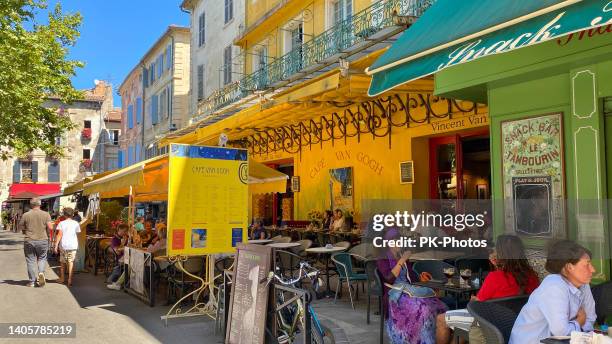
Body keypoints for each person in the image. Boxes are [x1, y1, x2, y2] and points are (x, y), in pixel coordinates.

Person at [437, 235, 540, 343]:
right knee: (461, 327)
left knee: (441, 319)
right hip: (515, 322)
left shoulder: (494, 277)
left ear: (501, 254)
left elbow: (476, 306)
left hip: (487, 323)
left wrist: (473, 299)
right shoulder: (532, 276)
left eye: (496, 249)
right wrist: (499, 267)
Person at [509, 240, 596, 344]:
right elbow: (561, 332)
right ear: (569, 267)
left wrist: (577, 329)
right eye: (586, 265)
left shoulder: (583, 284)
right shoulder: (554, 286)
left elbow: (590, 318)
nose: (593, 269)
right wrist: (578, 322)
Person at [377, 229, 448, 344]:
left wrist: (420, 278)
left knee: (438, 305)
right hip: (395, 294)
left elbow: (411, 277)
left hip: (409, 290)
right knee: (424, 309)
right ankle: (420, 340)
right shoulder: (383, 259)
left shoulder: (402, 256)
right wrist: (402, 259)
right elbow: (389, 278)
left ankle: (438, 338)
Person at [19, 197, 53, 287]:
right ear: (40, 204)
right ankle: (41, 273)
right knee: (42, 258)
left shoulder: (25, 215)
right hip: (43, 240)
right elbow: (50, 227)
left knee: (30, 260)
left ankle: (31, 282)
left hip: (29, 240)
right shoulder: (46, 214)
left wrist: (25, 231)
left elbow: (21, 226)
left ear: (31, 205)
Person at [53, 208, 81, 287]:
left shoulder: (62, 223)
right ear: (72, 215)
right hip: (73, 245)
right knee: (71, 263)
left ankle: (62, 279)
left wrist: (55, 246)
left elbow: (59, 235)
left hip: (64, 246)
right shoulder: (76, 223)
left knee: (62, 263)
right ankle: (70, 280)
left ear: (64, 215)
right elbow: (77, 234)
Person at [106, 224, 128, 289]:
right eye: (124, 231)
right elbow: (118, 252)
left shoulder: (126, 237)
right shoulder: (114, 239)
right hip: (121, 258)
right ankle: (119, 282)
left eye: (126, 231)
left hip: (127, 255)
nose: (126, 233)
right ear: (119, 230)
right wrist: (123, 243)